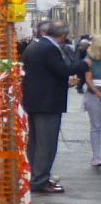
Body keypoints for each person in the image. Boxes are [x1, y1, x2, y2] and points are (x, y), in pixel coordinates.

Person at [22, 19, 84, 193]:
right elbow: (63, 70)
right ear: (63, 35)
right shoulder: (49, 49)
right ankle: (40, 180)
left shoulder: (34, 46)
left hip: (35, 101)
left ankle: (33, 177)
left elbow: (43, 75)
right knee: (46, 144)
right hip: (47, 104)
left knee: (35, 144)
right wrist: (86, 63)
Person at [78, 40, 101, 169]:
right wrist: (98, 93)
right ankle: (97, 156)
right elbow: (88, 79)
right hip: (93, 96)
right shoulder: (90, 60)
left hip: (95, 94)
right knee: (96, 126)